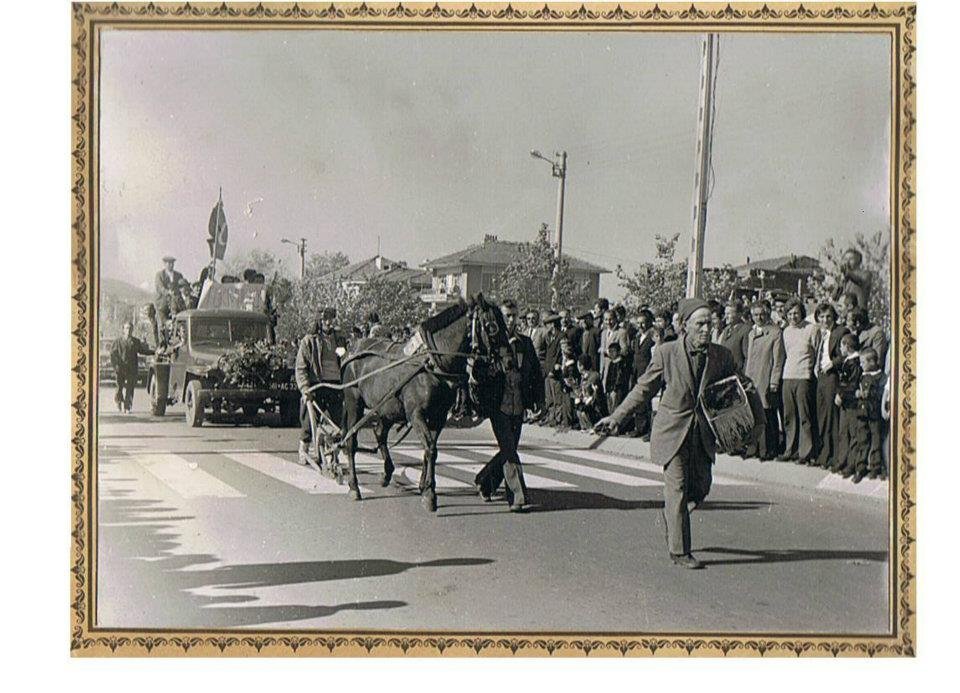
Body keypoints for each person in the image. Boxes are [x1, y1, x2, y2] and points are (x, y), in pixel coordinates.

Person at [594, 298, 745, 569]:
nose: (706, 329)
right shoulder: (666, 353)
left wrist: (751, 422)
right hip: (672, 432)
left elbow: (739, 386)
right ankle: (680, 550)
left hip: (702, 433)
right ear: (684, 325)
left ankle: (674, 515)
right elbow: (643, 388)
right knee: (676, 488)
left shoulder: (721, 356)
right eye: (700, 324)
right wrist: (617, 417)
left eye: (709, 324)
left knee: (701, 487)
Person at [474, 299, 544, 512]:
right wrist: (493, 370)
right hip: (499, 405)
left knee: (509, 448)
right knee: (508, 448)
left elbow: (535, 373)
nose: (512, 320)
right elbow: (478, 371)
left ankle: (485, 481)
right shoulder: (491, 344)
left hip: (518, 404)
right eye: (507, 316)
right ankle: (517, 497)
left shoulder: (525, 343)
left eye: (514, 315)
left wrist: (539, 400)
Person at [295, 307, 347, 466]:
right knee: (309, 419)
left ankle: (332, 452)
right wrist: (305, 388)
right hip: (316, 384)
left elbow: (344, 358)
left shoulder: (339, 339)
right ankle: (304, 448)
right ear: (319, 321)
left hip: (335, 385)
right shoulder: (309, 341)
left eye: (331, 319)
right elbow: (301, 367)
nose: (329, 322)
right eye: (325, 319)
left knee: (335, 421)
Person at [743, 300, 786, 461]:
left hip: (765, 377)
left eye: (762, 314)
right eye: (755, 315)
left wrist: (774, 381)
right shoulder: (751, 333)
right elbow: (749, 358)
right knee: (753, 412)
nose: (759, 317)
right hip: (752, 378)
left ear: (767, 314)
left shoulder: (775, 333)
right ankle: (754, 447)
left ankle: (769, 449)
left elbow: (778, 360)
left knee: (767, 413)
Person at [779, 298, 820, 463]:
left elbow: (816, 352)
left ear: (802, 313)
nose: (793, 317)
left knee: (804, 416)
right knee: (789, 416)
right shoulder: (786, 331)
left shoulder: (811, 329)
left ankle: (805, 452)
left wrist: (812, 372)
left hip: (804, 376)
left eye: (796, 313)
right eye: (789, 314)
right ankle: (790, 450)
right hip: (788, 376)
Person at [813, 303, 849, 469]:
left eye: (828, 316)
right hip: (820, 377)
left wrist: (832, 364)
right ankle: (824, 455)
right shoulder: (822, 333)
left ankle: (834, 457)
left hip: (832, 377)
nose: (825, 320)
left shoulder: (841, 332)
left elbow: (846, 354)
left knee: (831, 418)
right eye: (821, 317)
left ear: (834, 316)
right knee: (822, 417)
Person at [833, 333, 863, 477]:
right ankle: (842, 460)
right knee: (843, 432)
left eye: (842, 346)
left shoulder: (855, 363)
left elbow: (852, 384)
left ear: (848, 346)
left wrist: (841, 394)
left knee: (853, 434)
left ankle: (851, 464)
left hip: (852, 404)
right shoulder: (848, 361)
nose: (840, 349)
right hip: (845, 403)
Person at [109, 321, 155, 413]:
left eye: (130, 328)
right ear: (123, 330)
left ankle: (127, 407)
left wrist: (154, 352)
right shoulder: (117, 342)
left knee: (130, 388)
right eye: (127, 328)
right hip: (120, 369)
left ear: (132, 330)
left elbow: (142, 351)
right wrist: (115, 366)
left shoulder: (135, 341)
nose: (128, 330)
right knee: (119, 388)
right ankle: (119, 402)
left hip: (131, 369)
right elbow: (112, 355)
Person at [629, 309, 656, 439]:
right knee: (639, 401)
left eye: (643, 323)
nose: (640, 326)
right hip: (637, 372)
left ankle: (649, 429)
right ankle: (639, 427)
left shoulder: (652, 338)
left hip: (647, 372)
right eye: (638, 323)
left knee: (648, 402)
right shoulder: (637, 337)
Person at [541, 311, 564, 425]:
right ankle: (551, 418)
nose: (546, 327)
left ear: (553, 325)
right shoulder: (550, 337)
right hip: (548, 371)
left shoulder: (561, 337)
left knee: (557, 397)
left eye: (548, 324)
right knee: (549, 397)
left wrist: (554, 369)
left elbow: (561, 355)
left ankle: (558, 418)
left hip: (555, 372)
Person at [717, 301, 751, 371]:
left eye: (729, 314)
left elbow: (747, 357)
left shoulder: (745, 330)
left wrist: (743, 374)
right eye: (725, 313)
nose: (725, 317)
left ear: (739, 314)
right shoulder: (726, 330)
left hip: (737, 373)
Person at [573, 353, 604, 431]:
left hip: (595, 404)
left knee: (584, 411)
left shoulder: (594, 375)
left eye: (579, 365)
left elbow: (592, 392)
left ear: (582, 366)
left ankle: (593, 426)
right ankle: (585, 427)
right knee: (579, 411)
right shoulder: (583, 377)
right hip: (586, 401)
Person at [154, 256, 186, 322]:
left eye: (172, 263)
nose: (171, 265)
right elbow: (160, 287)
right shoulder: (160, 275)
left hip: (176, 303)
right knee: (163, 324)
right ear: (164, 264)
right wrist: (168, 292)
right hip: (163, 305)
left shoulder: (178, 275)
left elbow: (182, 285)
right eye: (168, 263)